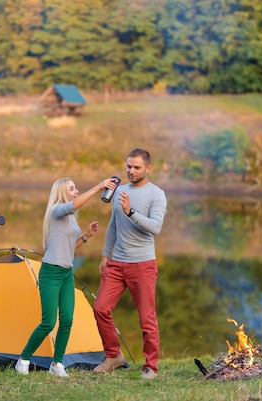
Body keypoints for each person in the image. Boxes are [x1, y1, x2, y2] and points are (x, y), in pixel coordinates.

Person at [15, 177, 120, 377]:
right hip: (50, 273)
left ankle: (57, 363)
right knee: (48, 322)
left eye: (76, 188)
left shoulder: (70, 217)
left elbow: (69, 248)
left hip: (66, 273)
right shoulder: (57, 210)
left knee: (67, 320)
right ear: (63, 192)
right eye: (72, 188)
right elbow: (73, 205)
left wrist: (87, 236)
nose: (76, 191)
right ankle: (24, 359)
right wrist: (99, 187)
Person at [92, 148, 167, 380]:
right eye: (129, 167)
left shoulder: (156, 194)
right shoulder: (119, 191)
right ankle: (113, 356)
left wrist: (130, 211)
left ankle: (151, 366)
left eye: (136, 167)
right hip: (116, 263)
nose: (131, 171)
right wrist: (105, 255)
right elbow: (114, 224)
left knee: (146, 317)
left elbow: (155, 227)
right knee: (100, 309)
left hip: (142, 263)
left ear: (148, 168)